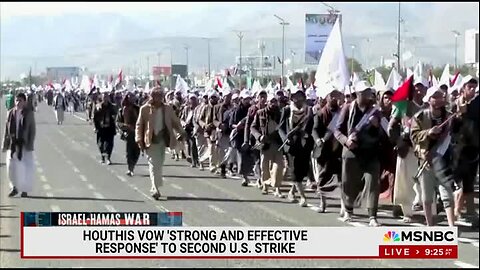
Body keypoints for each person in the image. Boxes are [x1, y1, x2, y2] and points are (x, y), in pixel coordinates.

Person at [334, 81, 386, 226]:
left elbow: (383, 134)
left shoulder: (375, 111)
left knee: (373, 182)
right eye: (364, 92)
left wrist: (377, 126)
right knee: (349, 182)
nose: (368, 95)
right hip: (352, 151)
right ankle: (348, 210)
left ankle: (372, 216)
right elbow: (337, 131)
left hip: (371, 151)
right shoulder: (348, 108)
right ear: (357, 94)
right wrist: (346, 141)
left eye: (369, 92)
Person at [410, 85, 457, 227]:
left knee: (447, 194)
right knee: (427, 196)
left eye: (440, 96)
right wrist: (429, 132)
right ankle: (430, 225)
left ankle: (451, 226)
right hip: (426, 159)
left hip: (443, 160)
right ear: (429, 100)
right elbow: (414, 136)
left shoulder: (449, 117)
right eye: (434, 97)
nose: (438, 100)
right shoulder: (420, 116)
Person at [135, 87, 186, 200]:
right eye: (155, 95)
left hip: (163, 140)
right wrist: (139, 139)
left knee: (159, 163)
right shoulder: (144, 109)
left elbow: (175, 122)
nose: (157, 97)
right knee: (153, 164)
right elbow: (139, 125)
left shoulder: (167, 109)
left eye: (159, 95)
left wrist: (181, 132)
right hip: (150, 140)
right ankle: (154, 188)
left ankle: (156, 185)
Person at [279, 88, 314, 207]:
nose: (298, 98)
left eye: (300, 96)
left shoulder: (309, 111)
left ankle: (292, 191)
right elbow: (280, 127)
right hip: (292, 146)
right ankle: (303, 197)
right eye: (295, 96)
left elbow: (311, 125)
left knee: (303, 170)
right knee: (295, 171)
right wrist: (286, 138)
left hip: (305, 145)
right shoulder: (287, 110)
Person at [451, 76, 479, 223]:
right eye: (470, 87)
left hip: (473, 147)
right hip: (457, 148)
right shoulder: (454, 104)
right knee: (458, 181)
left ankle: (470, 211)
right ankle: (456, 210)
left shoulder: (477, 104)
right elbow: (451, 127)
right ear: (463, 88)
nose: (472, 90)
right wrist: (459, 114)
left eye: (475, 87)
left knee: (470, 180)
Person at [312, 90, 343, 213]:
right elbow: (314, 130)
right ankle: (322, 202)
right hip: (324, 150)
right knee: (322, 177)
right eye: (332, 96)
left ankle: (343, 206)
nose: (335, 98)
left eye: (336, 96)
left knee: (342, 179)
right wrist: (318, 139)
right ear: (327, 97)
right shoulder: (320, 114)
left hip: (339, 149)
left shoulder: (343, 113)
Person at [2, 93, 36, 197]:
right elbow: (6, 130)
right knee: (11, 167)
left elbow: (32, 130)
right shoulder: (10, 113)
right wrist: (4, 144)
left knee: (25, 167)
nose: (17, 102)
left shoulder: (29, 114)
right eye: (16, 100)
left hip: (24, 144)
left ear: (24, 102)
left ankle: (24, 189)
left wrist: (30, 144)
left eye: (20, 100)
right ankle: (14, 187)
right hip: (12, 143)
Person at [251, 94, 285, 197]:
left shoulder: (280, 114)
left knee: (279, 166)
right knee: (264, 166)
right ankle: (265, 185)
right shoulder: (260, 113)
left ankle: (277, 188)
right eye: (271, 101)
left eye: (275, 101)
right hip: (264, 143)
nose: (273, 103)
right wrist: (259, 136)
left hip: (278, 144)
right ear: (267, 102)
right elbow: (253, 127)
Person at [116, 94, 141, 176]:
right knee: (129, 151)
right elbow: (118, 122)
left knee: (137, 151)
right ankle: (130, 168)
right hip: (129, 133)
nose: (133, 99)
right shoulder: (122, 110)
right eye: (131, 97)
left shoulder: (138, 109)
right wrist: (125, 126)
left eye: (134, 97)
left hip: (138, 132)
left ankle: (133, 165)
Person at [93, 93, 117, 165]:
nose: (105, 98)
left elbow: (115, 115)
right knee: (100, 143)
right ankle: (103, 157)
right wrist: (95, 127)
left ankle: (108, 158)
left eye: (106, 97)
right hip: (101, 128)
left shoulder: (112, 106)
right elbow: (95, 118)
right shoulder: (98, 106)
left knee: (109, 144)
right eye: (104, 97)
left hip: (109, 128)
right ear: (101, 98)